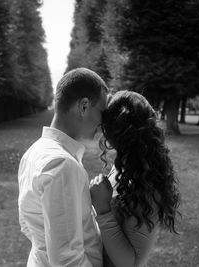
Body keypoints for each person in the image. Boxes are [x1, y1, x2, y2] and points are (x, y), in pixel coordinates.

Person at [18, 68, 109, 266]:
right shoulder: (63, 164)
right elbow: (67, 260)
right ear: (84, 106)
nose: (103, 123)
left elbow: (27, 225)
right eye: (102, 111)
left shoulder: (32, 153)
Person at [90, 90, 181, 267]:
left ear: (111, 132)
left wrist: (102, 211)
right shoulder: (127, 166)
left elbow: (131, 263)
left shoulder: (145, 184)